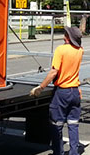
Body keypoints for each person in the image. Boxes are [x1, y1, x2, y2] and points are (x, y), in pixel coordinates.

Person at [30, 26, 83, 155]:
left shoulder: (61, 50)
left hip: (62, 92)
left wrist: (40, 87)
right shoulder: (80, 50)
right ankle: (74, 152)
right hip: (75, 91)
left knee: (56, 124)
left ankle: (58, 152)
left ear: (67, 37)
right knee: (73, 123)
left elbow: (54, 72)